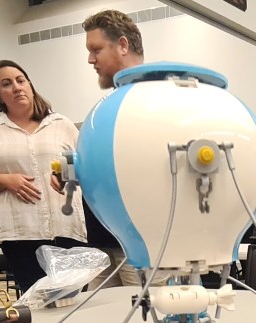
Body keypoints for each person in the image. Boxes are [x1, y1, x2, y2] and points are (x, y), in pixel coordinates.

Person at [0, 60, 88, 292]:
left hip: (67, 228)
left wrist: (65, 175)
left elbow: (83, 162)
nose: (16, 87)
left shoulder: (61, 124)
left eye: (20, 81)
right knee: (37, 302)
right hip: (20, 234)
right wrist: (5, 180)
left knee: (75, 301)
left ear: (30, 86)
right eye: (7, 84)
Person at [74, 9, 145, 286]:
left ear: (123, 45)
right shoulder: (110, 107)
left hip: (140, 244)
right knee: (105, 313)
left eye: (96, 50)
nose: (90, 59)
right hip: (101, 241)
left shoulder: (154, 102)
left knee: (148, 313)